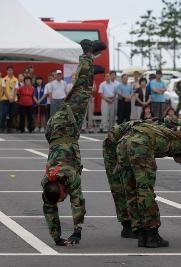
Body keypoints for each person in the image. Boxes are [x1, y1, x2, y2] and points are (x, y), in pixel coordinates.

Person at [41, 39, 106, 246]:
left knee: (83, 91)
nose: (61, 201)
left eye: (61, 198)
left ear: (61, 189)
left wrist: (77, 231)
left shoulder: (68, 177)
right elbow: (50, 211)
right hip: (55, 132)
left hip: (65, 126)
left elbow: (78, 202)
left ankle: (86, 51)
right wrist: (57, 238)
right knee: (80, 92)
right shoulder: (47, 187)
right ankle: (90, 68)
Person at [105, 122, 181, 248]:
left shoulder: (167, 132)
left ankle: (141, 233)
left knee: (131, 190)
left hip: (123, 142)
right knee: (145, 191)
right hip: (140, 144)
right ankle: (152, 235)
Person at [1, 66, 18, 133]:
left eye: (11, 70)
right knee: (4, 113)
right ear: (6, 71)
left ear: (13, 71)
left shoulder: (15, 80)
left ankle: (9, 127)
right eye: (9, 70)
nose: (10, 71)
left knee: (12, 114)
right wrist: (9, 98)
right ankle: (2, 127)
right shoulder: (4, 79)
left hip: (13, 100)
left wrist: (13, 98)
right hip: (5, 99)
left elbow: (16, 89)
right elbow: (4, 90)